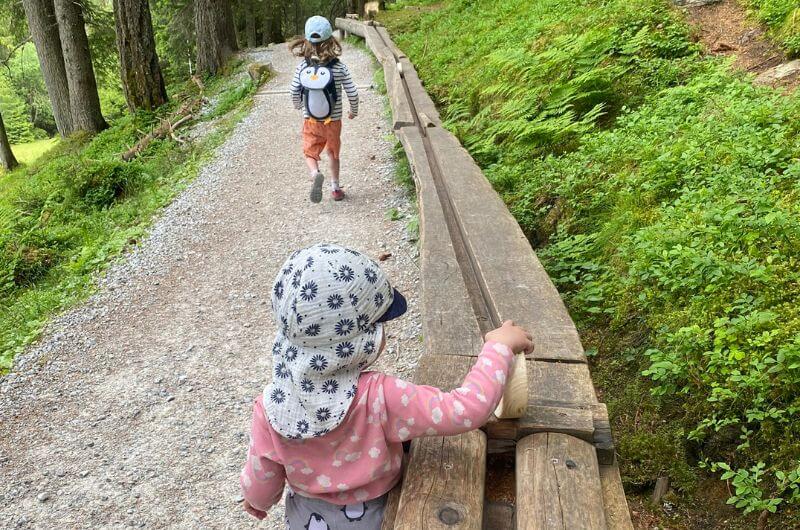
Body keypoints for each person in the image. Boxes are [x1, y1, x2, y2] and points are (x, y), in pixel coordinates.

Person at [240, 243, 533, 529]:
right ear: (360, 343)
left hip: (307, 518)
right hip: (380, 515)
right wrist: (498, 348)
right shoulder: (382, 396)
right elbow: (467, 409)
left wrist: (257, 503)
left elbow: (262, 479)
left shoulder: (270, 407)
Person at [289, 16, 359, 203]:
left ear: (307, 41)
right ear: (331, 40)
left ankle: (314, 173)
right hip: (333, 121)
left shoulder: (303, 67)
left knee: (310, 152)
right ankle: (335, 189)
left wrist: (298, 105)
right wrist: (354, 110)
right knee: (333, 153)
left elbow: (294, 90)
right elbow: (352, 91)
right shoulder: (339, 67)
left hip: (311, 120)